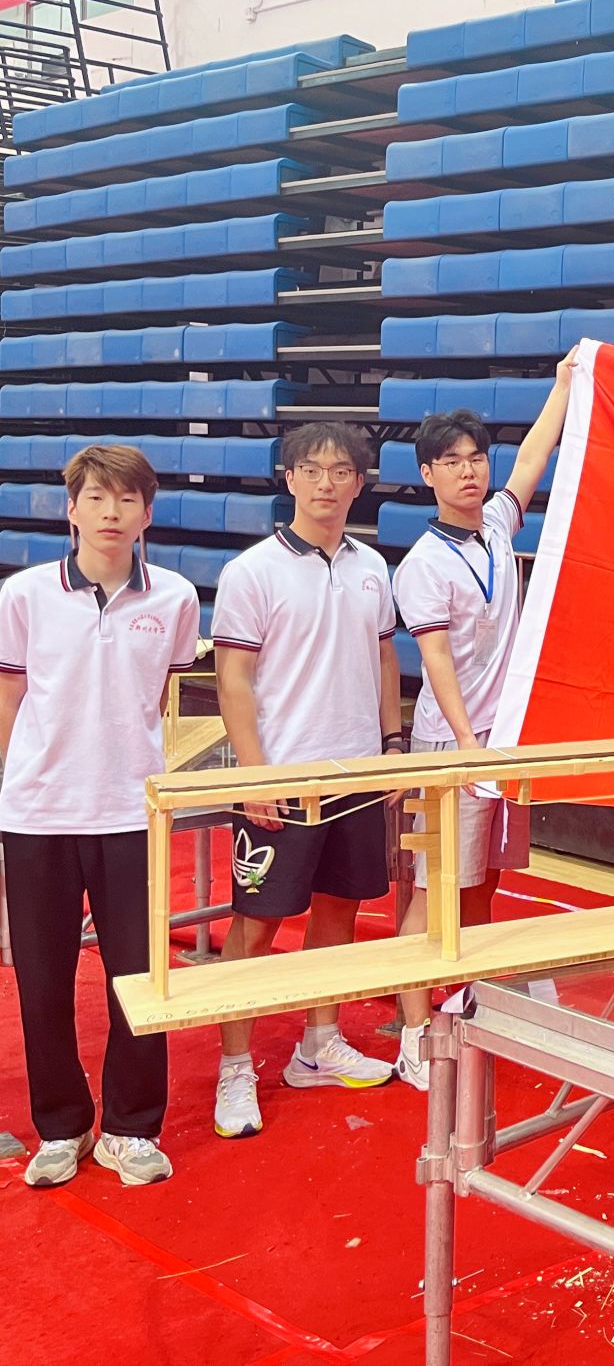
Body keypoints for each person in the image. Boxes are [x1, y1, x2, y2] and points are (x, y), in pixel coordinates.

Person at [0, 446, 200, 1187]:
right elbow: (10, 697)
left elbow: (159, 696)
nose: (111, 512)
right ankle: (62, 1127)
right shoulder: (24, 595)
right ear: (72, 509)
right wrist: (22, 777)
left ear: (147, 513)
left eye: (127, 500)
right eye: (96, 498)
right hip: (38, 814)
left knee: (141, 980)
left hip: (130, 812)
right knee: (43, 981)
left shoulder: (176, 597)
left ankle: (130, 1128)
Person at [209, 421, 404, 1137]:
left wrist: (391, 745)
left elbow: (384, 659)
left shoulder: (371, 567)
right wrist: (253, 774)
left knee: (338, 912)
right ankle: (235, 1066)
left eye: (341, 471)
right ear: (288, 478)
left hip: (353, 771)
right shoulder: (253, 571)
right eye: (312, 469)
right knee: (257, 924)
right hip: (281, 777)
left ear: (360, 482)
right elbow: (232, 677)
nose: (327, 483)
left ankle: (318, 1045)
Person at [390, 354, 574, 1090]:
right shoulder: (422, 565)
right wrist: (467, 745)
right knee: (433, 893)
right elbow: (434, 660)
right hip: (453, 745)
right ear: (427, 475)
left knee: (483, 883)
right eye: (451, 462)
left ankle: (468, 1000)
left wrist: (564, 387)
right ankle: (411, 1035)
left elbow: (533, 458)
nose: (468, 471)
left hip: (504, 742)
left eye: (475, 458)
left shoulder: (498, 522)